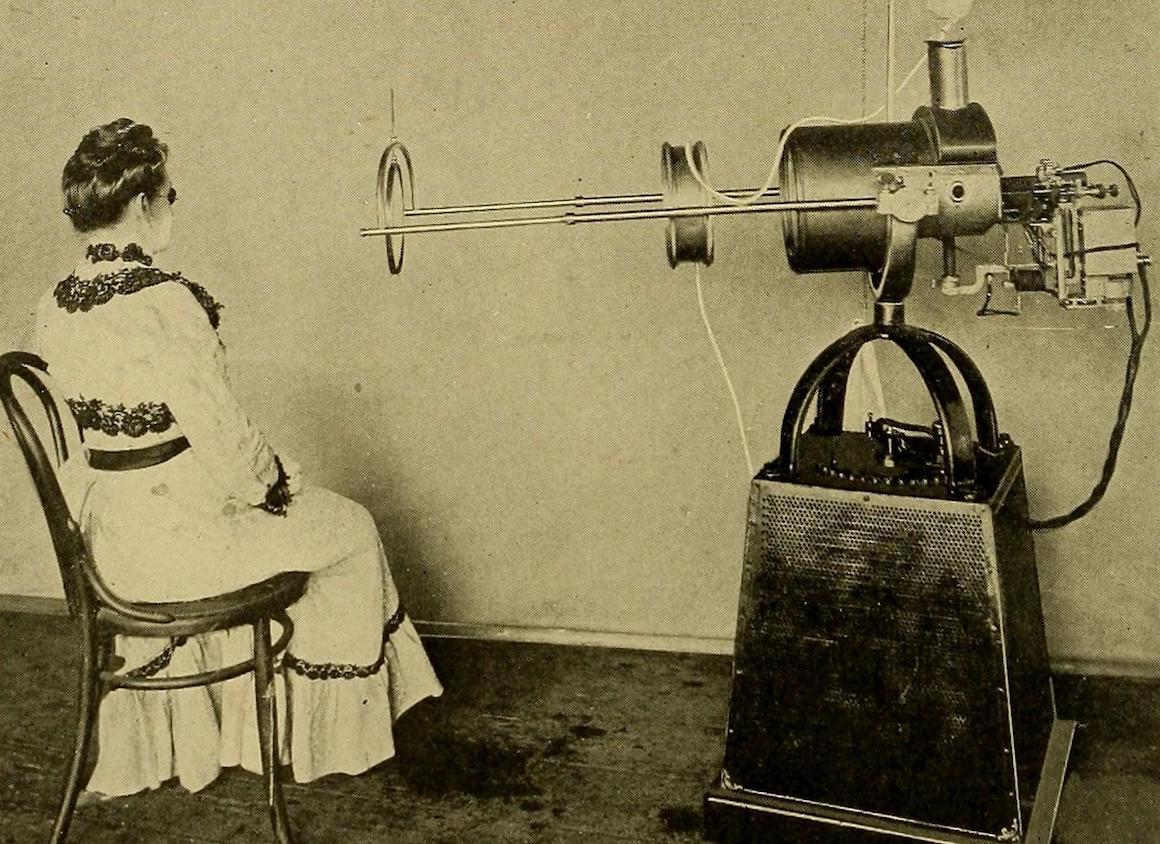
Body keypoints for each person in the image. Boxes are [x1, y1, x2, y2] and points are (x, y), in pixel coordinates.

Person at [36, 118, 442, 798]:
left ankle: (245, 732)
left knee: (292, 518)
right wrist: (275, 480)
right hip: (177, 550)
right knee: (350, 529)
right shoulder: (162, 301)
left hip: (105, 545)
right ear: (141, 203)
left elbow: (116, 443)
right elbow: (227, 446)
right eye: (169, 193)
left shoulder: (51, 305)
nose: (171, 204)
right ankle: (327, 742)